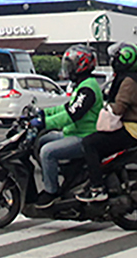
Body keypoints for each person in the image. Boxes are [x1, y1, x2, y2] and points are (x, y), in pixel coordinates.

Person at [76, 43, 137, 203]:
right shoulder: (131, 79)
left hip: (130, 130)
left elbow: (118, 108)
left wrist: (105, 109)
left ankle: (97, 188)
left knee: (89, 143)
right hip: (133, 128)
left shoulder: (128, 82)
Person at [32, 44, 102, 207]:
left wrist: (45, 123)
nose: (68, 69)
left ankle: (52, 192)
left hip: (83, 136)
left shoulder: (88, 89)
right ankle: (64, 176)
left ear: (81, 66)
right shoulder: (83, 85)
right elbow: (66, 107)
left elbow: (71, 114)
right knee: (42, 140)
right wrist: (44, 113)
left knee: (47, 152)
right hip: (73, 132)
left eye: (71, 65)